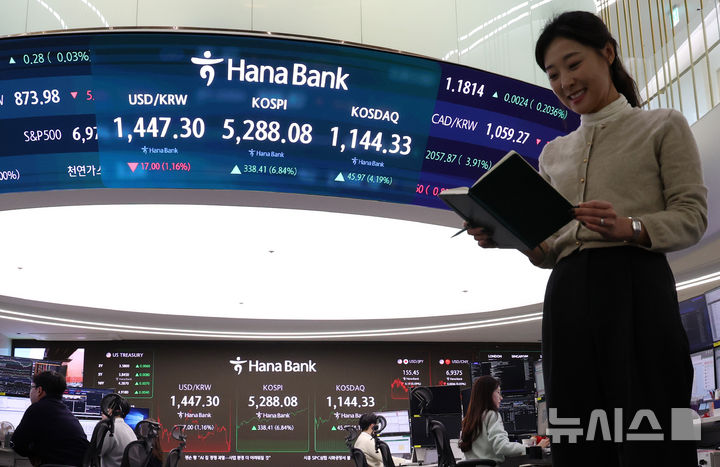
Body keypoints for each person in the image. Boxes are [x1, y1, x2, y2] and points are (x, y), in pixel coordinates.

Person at [467, 10, 707, 467]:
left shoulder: (662, 125)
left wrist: (629, 226)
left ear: (608, 53)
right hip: (567, 296)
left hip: (637, 287)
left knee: (655, 424)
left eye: (573, 64)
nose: (565, 82)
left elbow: (692, 217)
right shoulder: (552, 153)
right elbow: (549, 250)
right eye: (553, 74)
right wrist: (509, 235)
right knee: (575, 433)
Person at [459, 376, 549, 464]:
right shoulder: (491, 414)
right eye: (498, 392)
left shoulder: (468, 420)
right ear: (488, 394)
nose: (501, 397)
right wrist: (533, 449)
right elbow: (502, 447)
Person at [11, 371, 89, 466]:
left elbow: (16, 444)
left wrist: (32, 454)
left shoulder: (36, 409)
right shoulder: (67, 412)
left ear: (39, 390)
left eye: (32, 387)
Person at [97, 394, 137, 467]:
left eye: (108, 409)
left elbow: (96, 453)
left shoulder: (110, 430)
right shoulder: (130, 430)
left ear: (110, 411)